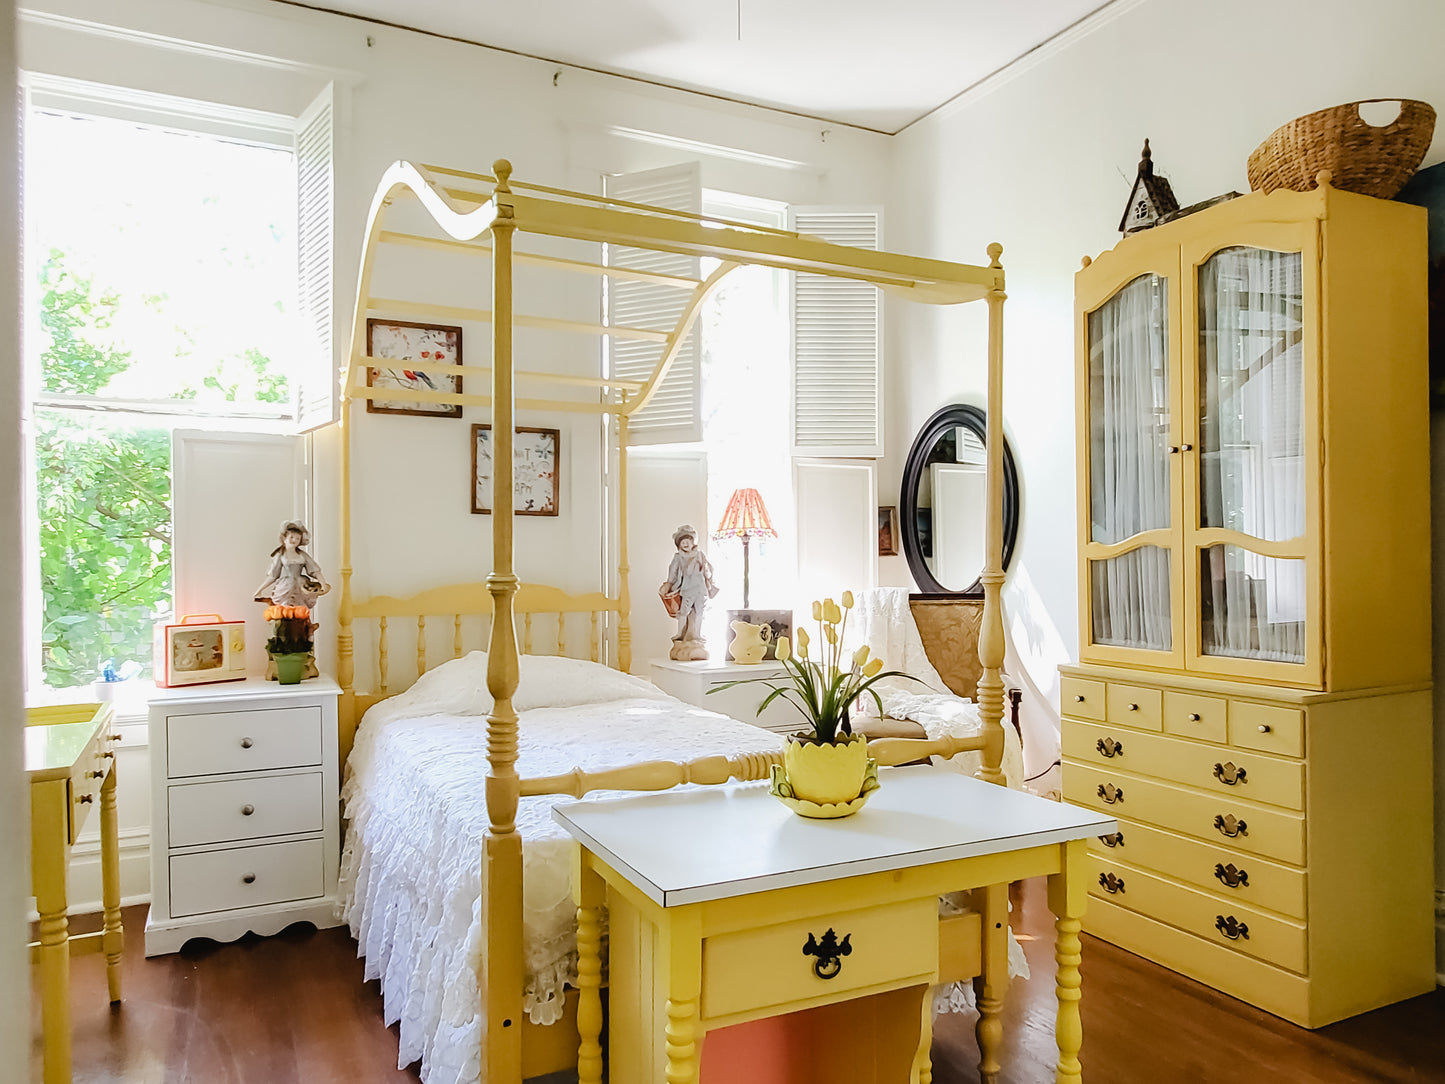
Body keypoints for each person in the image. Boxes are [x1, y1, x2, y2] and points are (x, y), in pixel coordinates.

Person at [662, 524, 718, 659]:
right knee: (684, 612)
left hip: (701, 589)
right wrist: (668, 584)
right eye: (683, 542)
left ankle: (697, 635)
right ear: (679, 544)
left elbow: (709, 571)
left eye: (688, 541)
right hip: (687, 589)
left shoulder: (700, 555)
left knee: (700, 612)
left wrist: (706, 571)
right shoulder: (678, 557)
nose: (686, 544)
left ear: (693, 542)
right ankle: (680, 634)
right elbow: (673, 573)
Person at [254, 520, 331, 611]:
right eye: (292, 537)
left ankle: (307, 624)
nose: (294, 540)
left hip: (301, 586)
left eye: (297, 538)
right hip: (286, 587)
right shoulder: (280, 555)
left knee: (301, 611)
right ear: (284, 538)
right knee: (285, 610)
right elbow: (273, 576)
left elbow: (315, 571)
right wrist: (259, 590)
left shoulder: (302, 555)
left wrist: (323, 584)